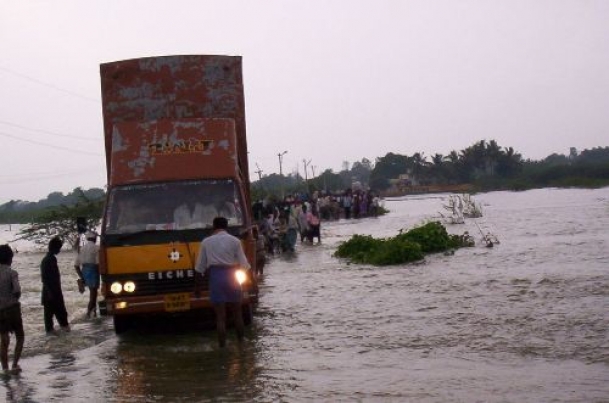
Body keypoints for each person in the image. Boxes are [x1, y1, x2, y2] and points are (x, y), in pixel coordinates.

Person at [194, 217, 251, 347]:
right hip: (232, 277)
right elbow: (245, 265)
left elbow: (199, 268)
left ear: (213, 227)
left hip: (216, 277)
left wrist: (197, 288)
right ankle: (241, 342)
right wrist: (252, 283)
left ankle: (222, 347)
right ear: (226, 227)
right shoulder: (235, 241)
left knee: (220, 317)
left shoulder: (206, 242)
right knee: (237, 314)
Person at [0, 244, 24, 373]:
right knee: (20, 336)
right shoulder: (12, 273)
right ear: (10, 258)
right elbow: (17, 291)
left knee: (4, 340)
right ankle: (15, 364)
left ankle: (4, 368)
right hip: (12, 308)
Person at [40, 237, 70, 333]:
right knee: (61, 318)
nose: (59, 250)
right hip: (52, 294)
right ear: (55, 248)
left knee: (50, 321)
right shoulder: (49, 260)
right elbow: (44, 278)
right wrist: (50, 293)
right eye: (59, 248)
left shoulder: (49, 259)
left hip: (52, 293)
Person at [74, 231, 100, 318]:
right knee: (93, 295)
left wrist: (82, 277)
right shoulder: (97, 248)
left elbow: (76, 266)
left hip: (84, 271)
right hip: (93, 271)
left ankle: (94, 313)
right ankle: (88, 314)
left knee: (93, 294)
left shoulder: (82, 249)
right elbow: (98, 264)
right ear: (95, 239)